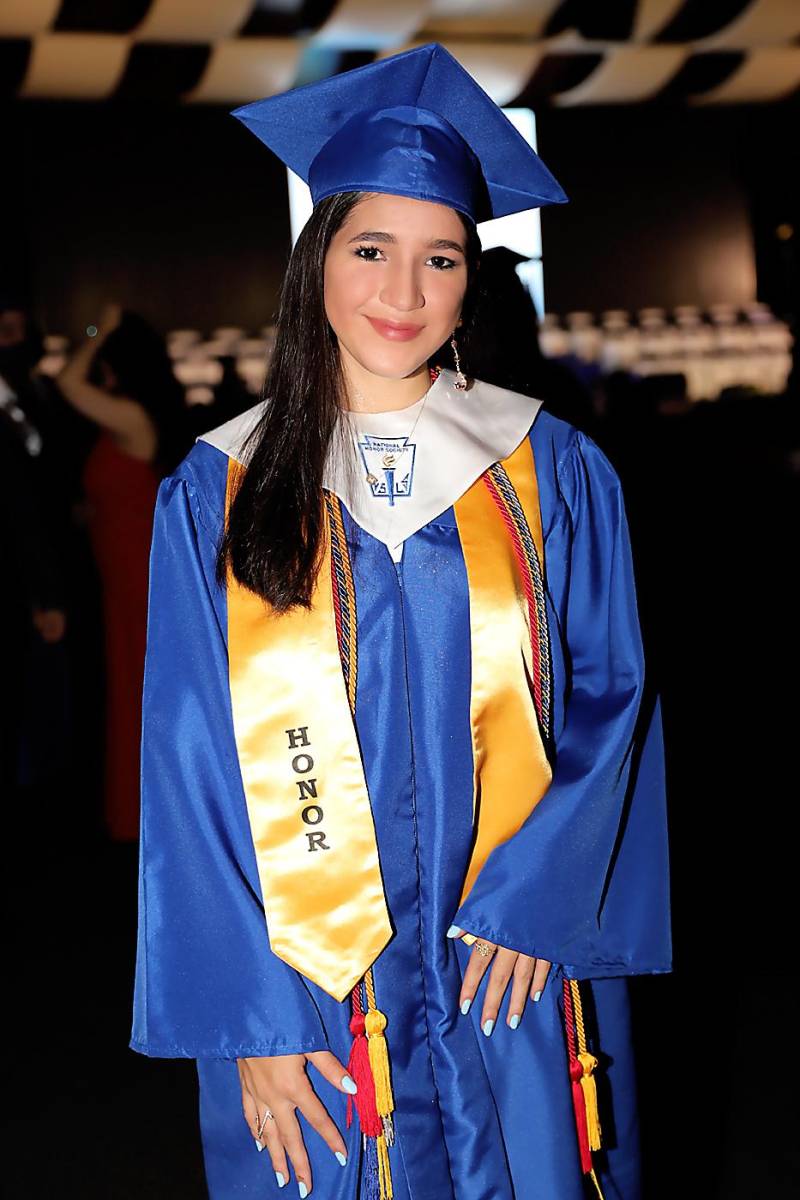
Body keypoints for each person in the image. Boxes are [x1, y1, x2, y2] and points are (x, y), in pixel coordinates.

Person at [132, 43, 671, 1200]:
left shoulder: (552, 471)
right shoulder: (216, 488)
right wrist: (253, 1020)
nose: (402, 294)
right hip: (311, 981)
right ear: (315, 258)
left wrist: (542, 902)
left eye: (441, 259)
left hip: (508, 966)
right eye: (370, 249)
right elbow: (188, 767)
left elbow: (612, 697)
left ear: (473, 282)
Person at [57, 305, 187, 840]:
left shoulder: (131, 415)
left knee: (141, 693)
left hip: (138, 577)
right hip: (123, 571)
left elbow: (68, 382)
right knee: (132, 692)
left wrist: (98, 330)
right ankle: (146, 816)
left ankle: (153, 820)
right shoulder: (130, 417)